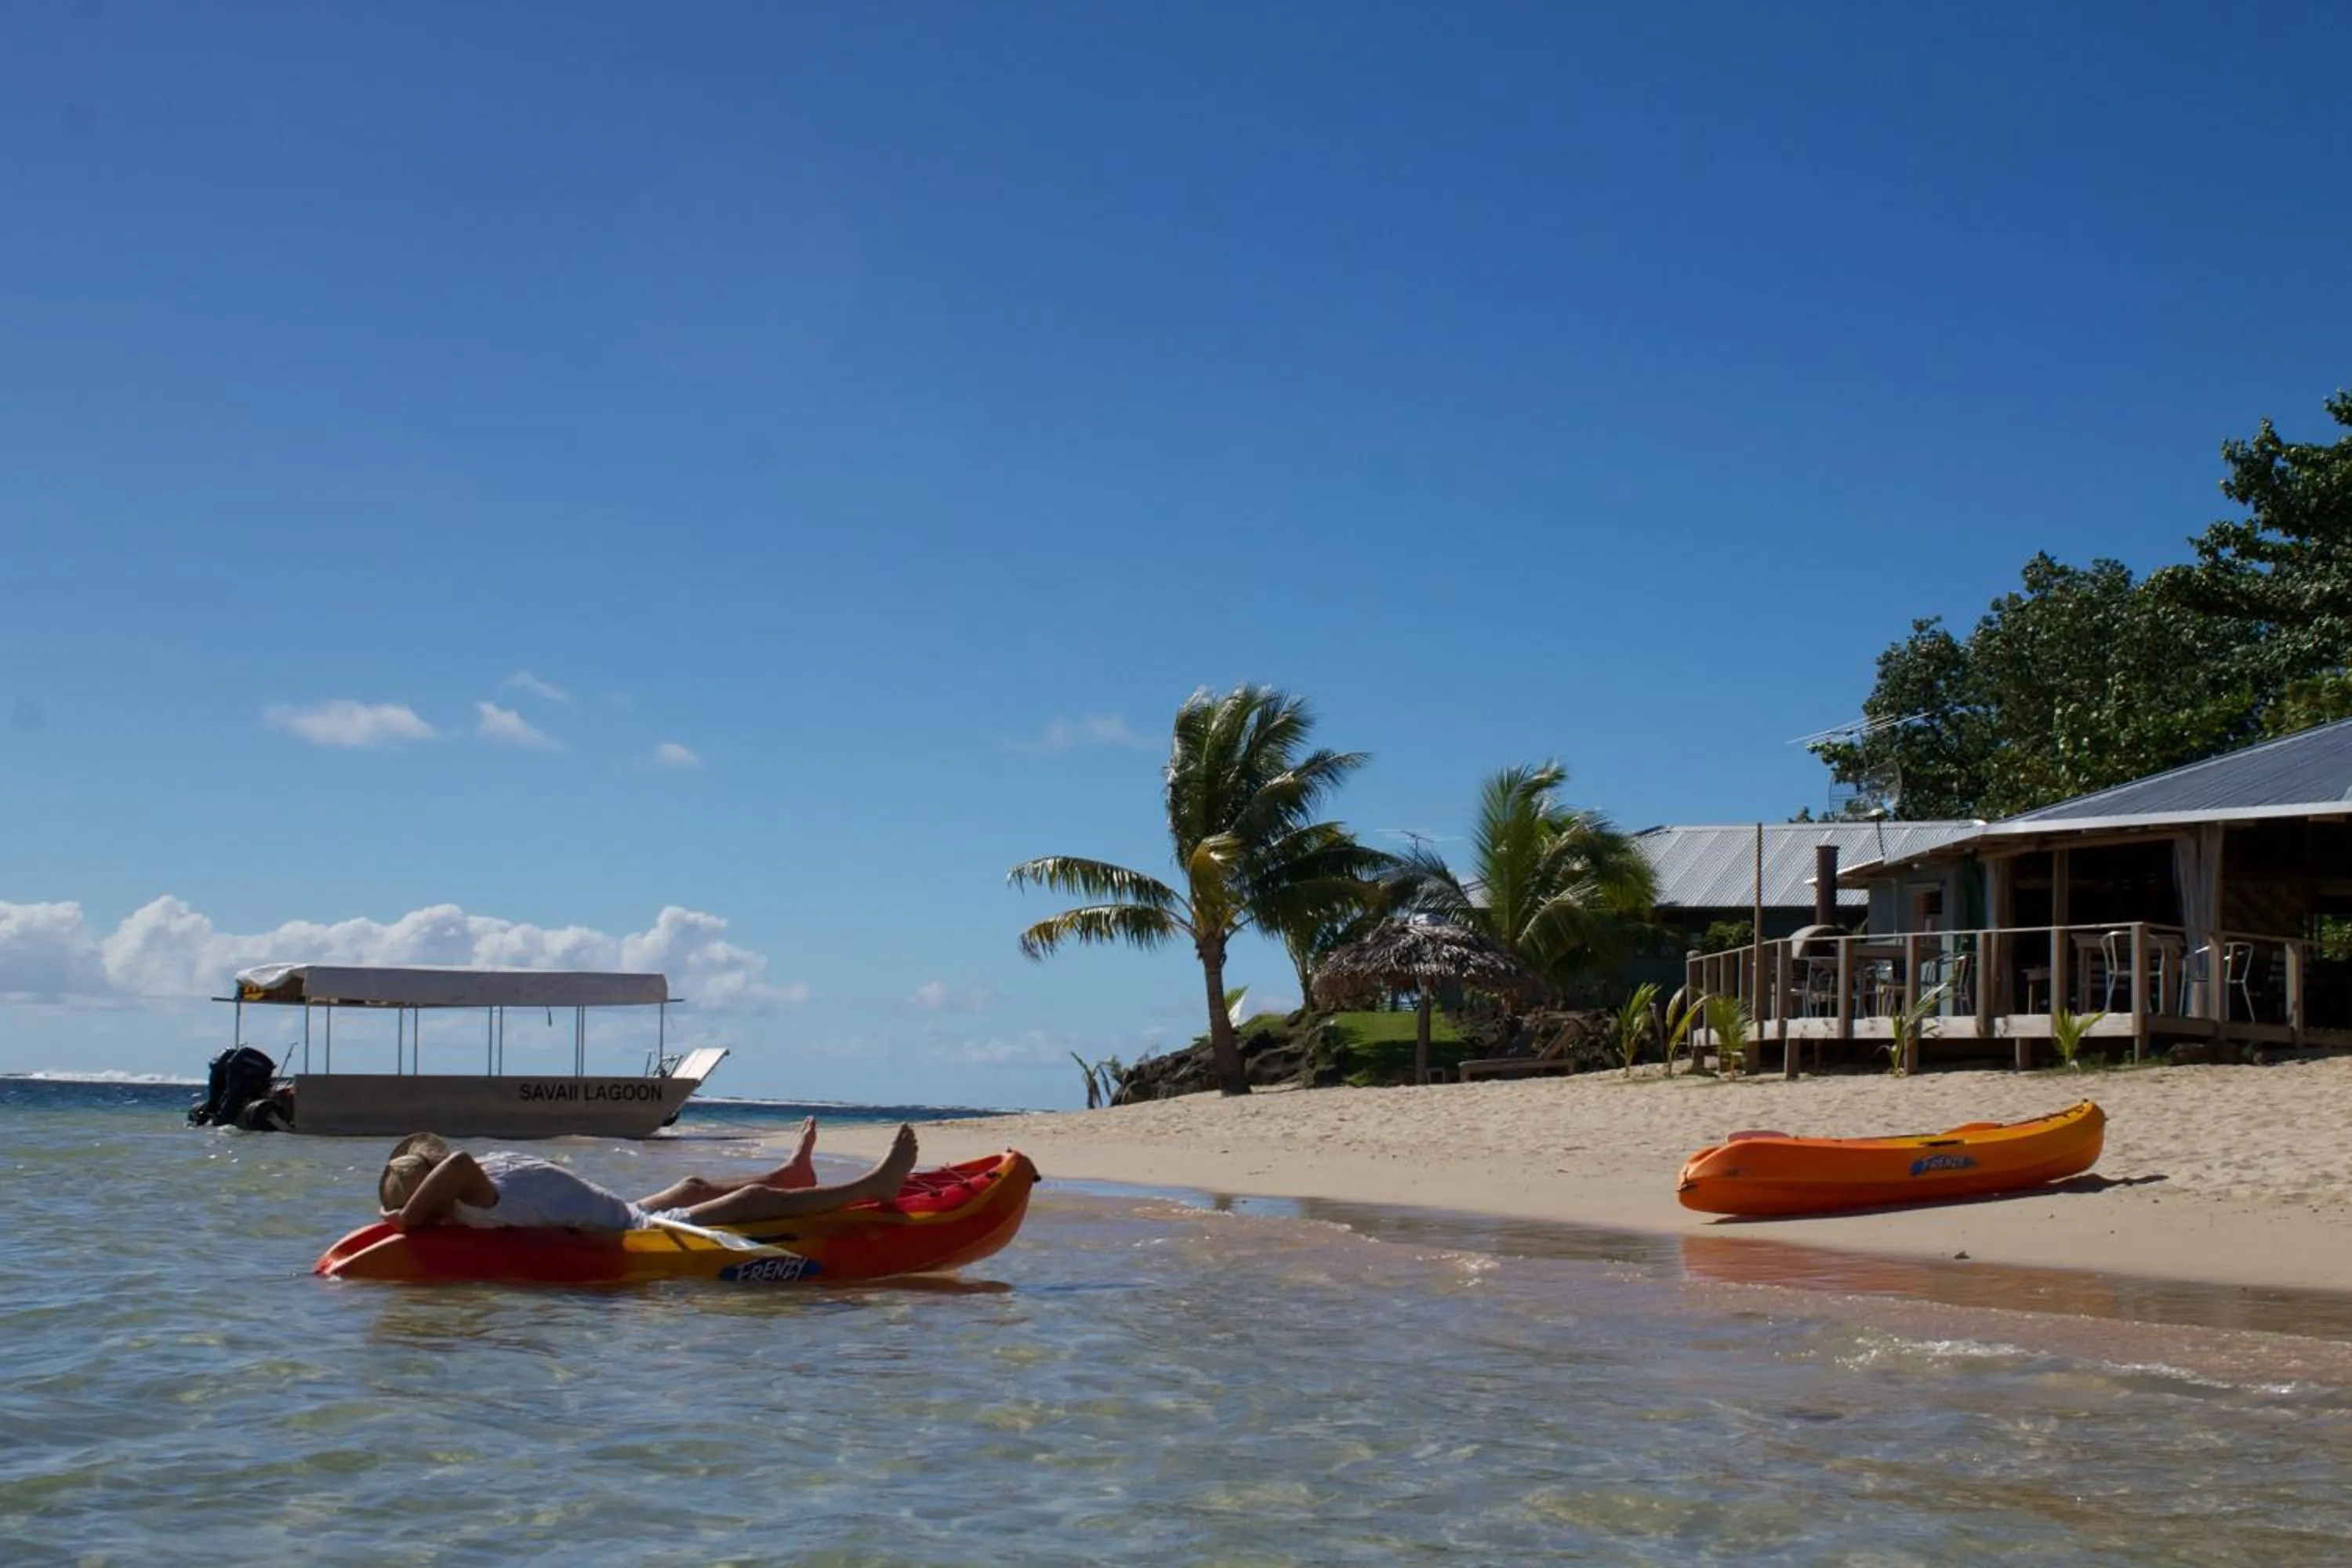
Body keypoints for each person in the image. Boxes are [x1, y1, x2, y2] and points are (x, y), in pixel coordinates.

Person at [377, 1116, 920, 1232]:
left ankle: (793, 1174)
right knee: (747, 1201)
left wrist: (404, 1210)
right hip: (631, 1234)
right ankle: (872, 1186)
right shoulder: (467, 1193)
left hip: (619, 1209)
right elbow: (458, 1166)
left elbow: (458, 1165)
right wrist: (407, 1219)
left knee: (691, 1187)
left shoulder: (471, 1184)